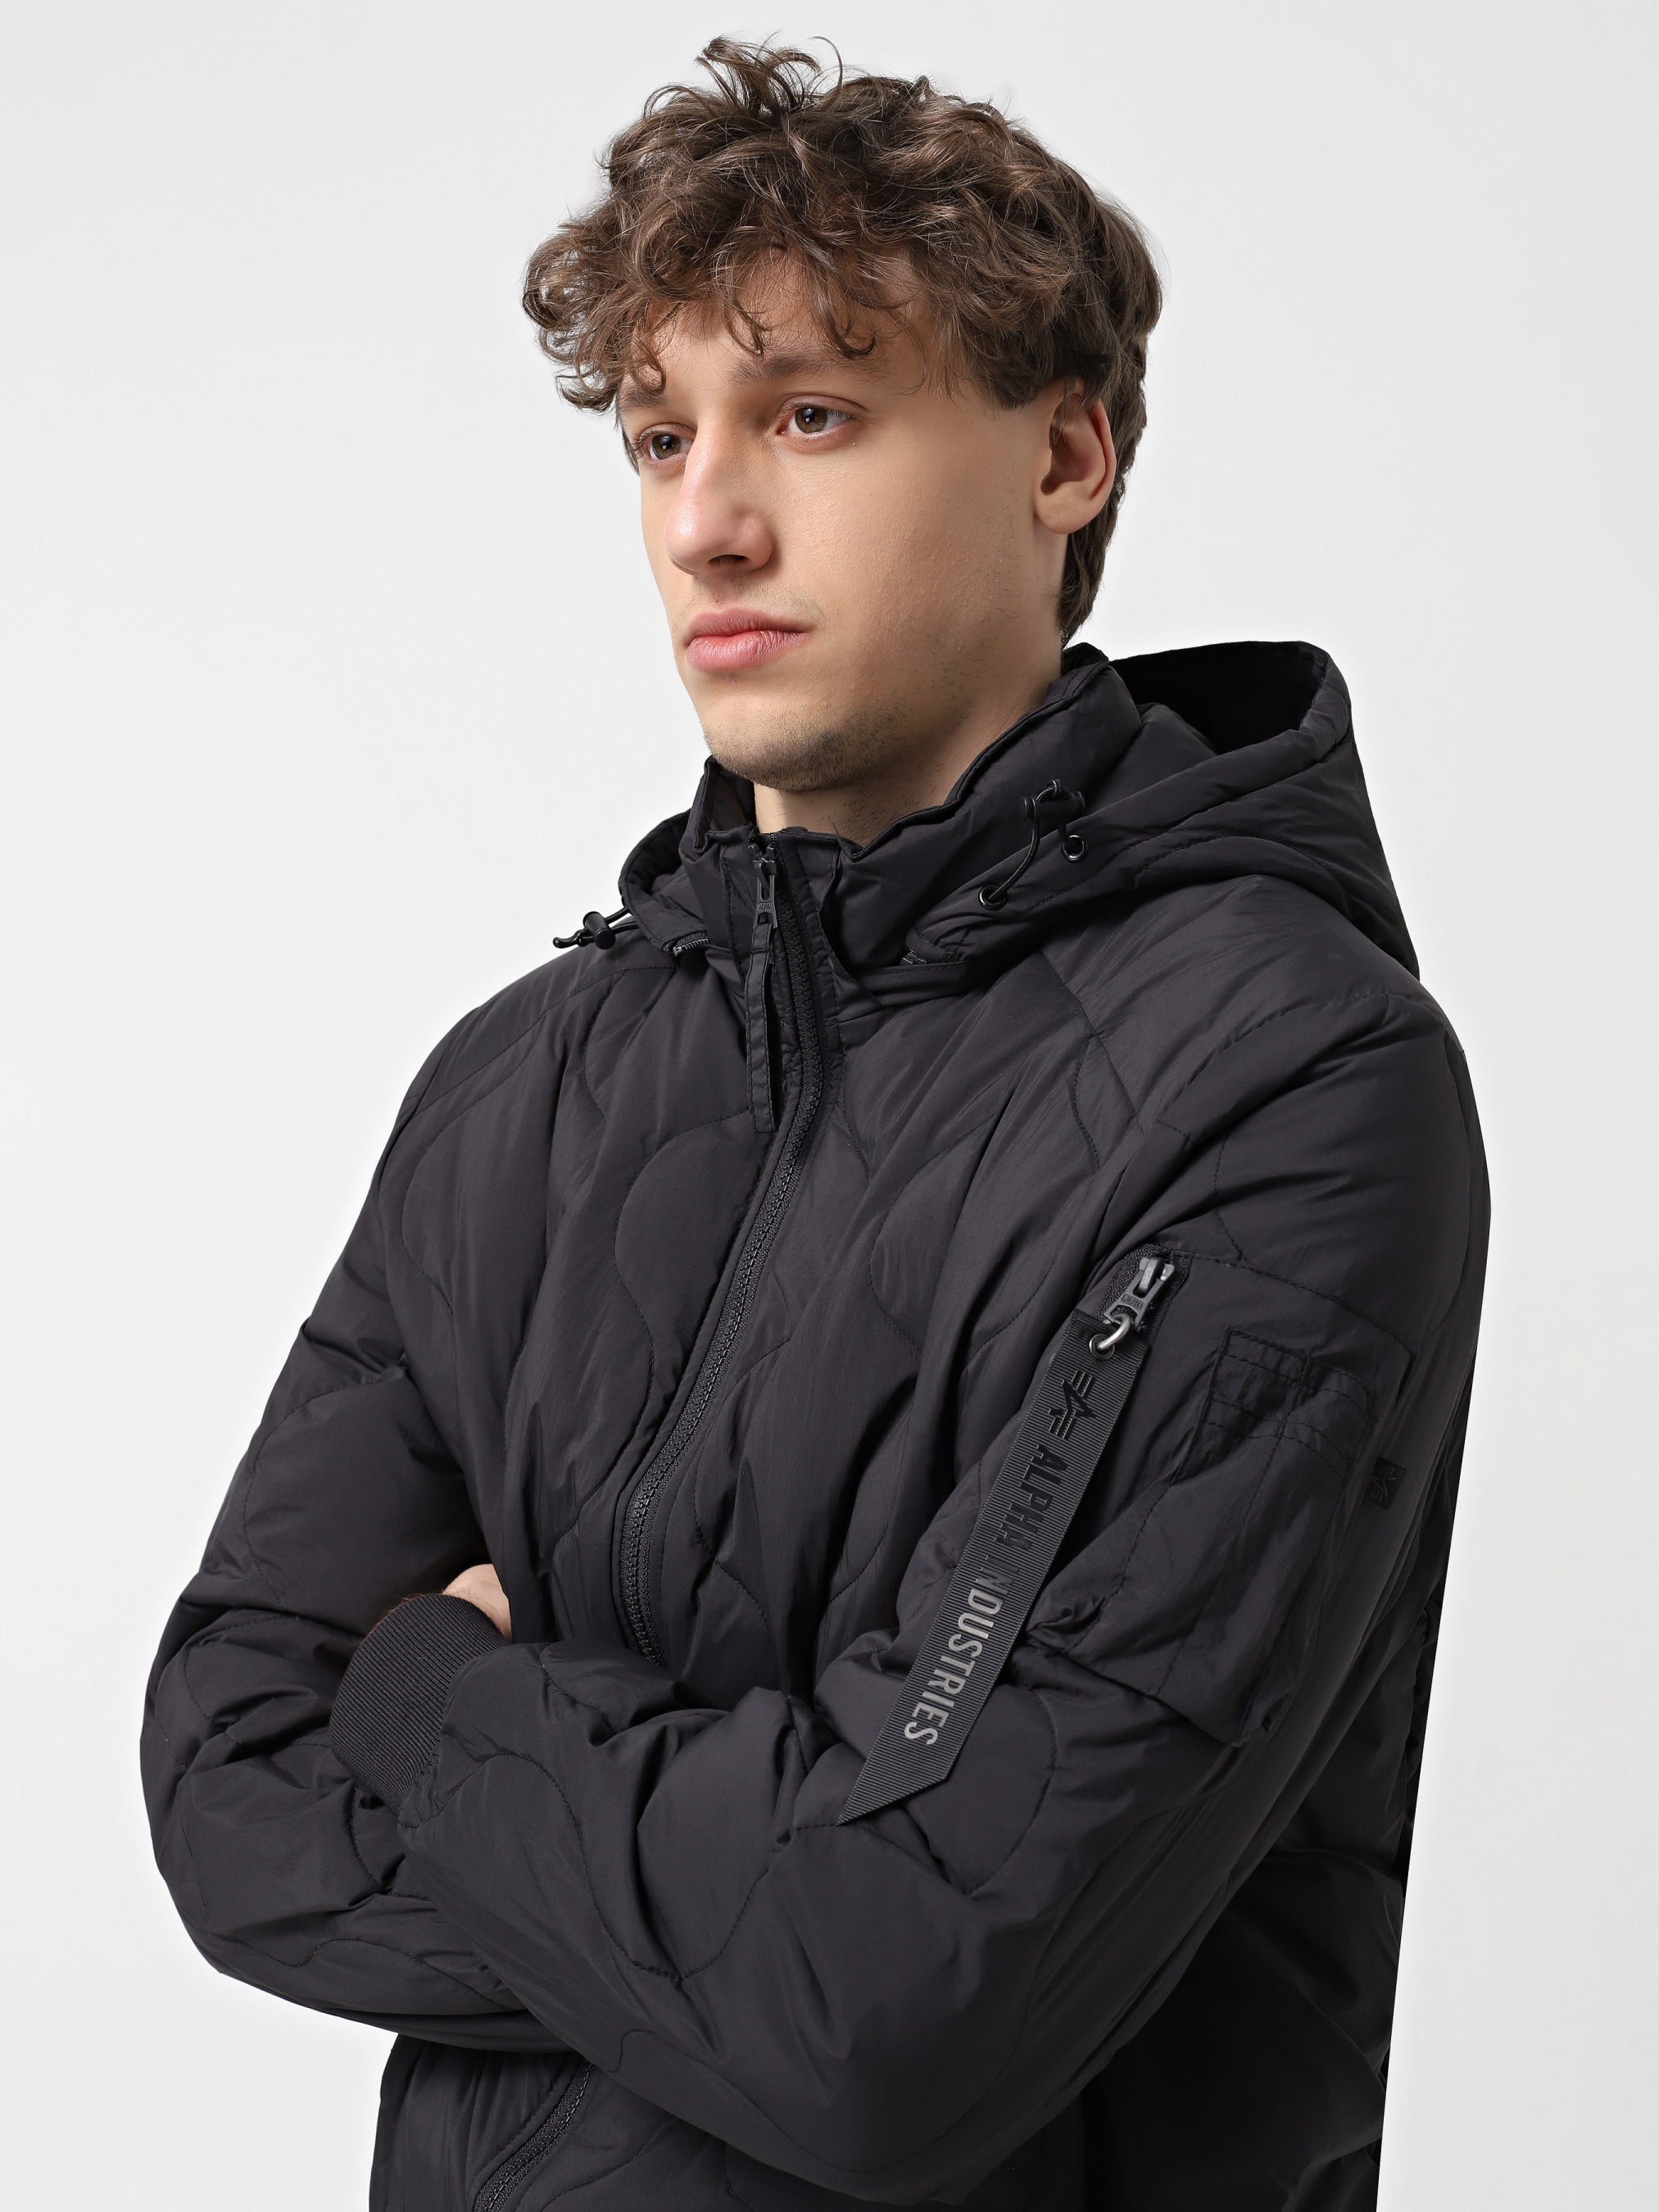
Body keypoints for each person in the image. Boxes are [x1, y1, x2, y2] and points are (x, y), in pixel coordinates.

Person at [143, 39, 1487, 2211]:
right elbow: (224, 1782)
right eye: (660, 433)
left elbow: (891, 2005)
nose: (705, 519)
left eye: (811, 415)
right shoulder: (516, 1086)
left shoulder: (1291, 1081)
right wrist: (737, 1885)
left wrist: (427, 1694)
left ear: (1066, 453)